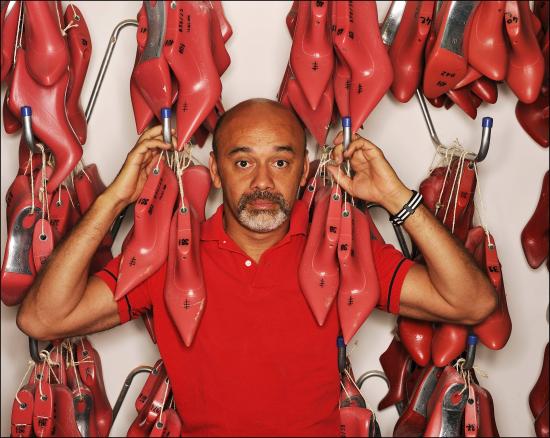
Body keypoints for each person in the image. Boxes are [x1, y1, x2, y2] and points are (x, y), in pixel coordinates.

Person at [16, 98, 496, 436]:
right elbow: (43, 318)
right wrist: (115, 199)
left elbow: (471, 302)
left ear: (305, 171)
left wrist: (396, 198)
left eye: (281, 163)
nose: (263, 182)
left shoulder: (340, 251)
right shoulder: (170, 257)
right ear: (216, 170)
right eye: (243, 163)